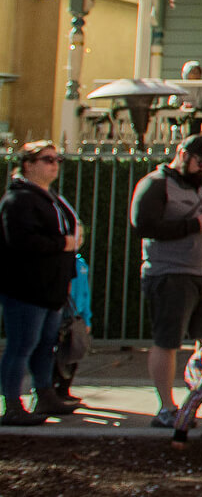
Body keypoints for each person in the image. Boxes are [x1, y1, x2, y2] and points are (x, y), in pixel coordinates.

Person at [130, 134, 202, 428]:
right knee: (168, 341)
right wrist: (194, 225)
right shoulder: (156, 184)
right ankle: (166, 407)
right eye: (200, 162)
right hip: (170, 274)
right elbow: (143, 226)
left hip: (201, 273)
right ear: (182, 154)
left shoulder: (201, 185)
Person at [0, 141, 84, 425]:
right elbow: (21, 241)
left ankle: (44, 394)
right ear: (28, 164)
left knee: (46, 344)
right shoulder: (18, 200)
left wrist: (69, 276)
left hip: (53, 287)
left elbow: (70, 242)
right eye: (47, 159)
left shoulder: (51, 198)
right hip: (26, 288)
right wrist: (63, 243)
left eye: (57, 159)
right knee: (22, 345)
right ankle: (12, 404)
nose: (54, 164)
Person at [52, 252, 94, 405]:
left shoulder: (81, 264)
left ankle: (64, 389)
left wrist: (86, 317)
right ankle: (53, 389)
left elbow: (85, 293)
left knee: (74, 354)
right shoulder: (63, 260)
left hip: (76, 316)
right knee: (58, 354)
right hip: (62, 314)